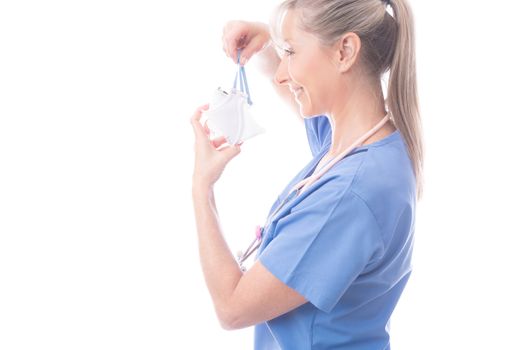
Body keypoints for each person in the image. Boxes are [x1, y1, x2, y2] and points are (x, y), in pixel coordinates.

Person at [190, 0, 424, 348]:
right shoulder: (363, 147)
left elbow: (232, 307)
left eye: (292, 53)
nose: (282, 73)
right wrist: (268, 45)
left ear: (344, 51)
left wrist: (202, 189)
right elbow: (294, 93)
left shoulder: (351, 194)